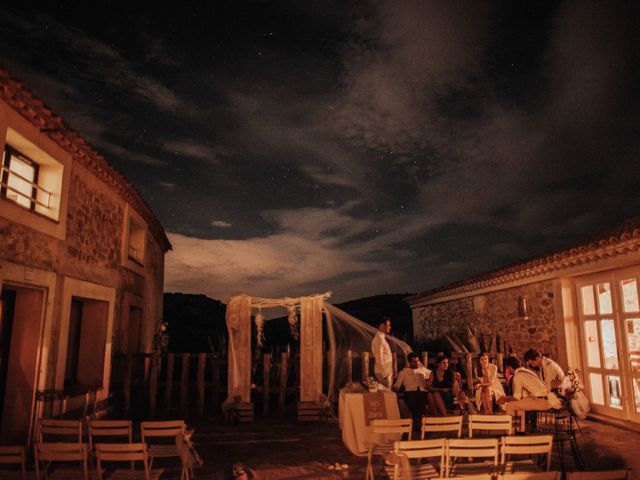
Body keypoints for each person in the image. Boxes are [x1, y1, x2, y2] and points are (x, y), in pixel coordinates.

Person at [393, 352, 430, 421]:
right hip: (410, 393)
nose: (417, 363)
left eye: (418, 361)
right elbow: (397, 386)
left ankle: (418, 424)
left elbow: (433, 375)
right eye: (414, 362)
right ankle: (418, 424)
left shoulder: (423, 370)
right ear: (409, 362)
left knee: (421, 397)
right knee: (414, 400)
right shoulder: (403, 372)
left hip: (422, 392)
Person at [371, 317, 393, 389]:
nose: (390, 327)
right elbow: (379, 357)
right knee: (385, 394)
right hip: (383, 373)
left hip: (386, 371)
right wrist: (384, 375)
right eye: (388, 325)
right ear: (382, 326)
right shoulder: (379, 339)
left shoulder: (382, 338)